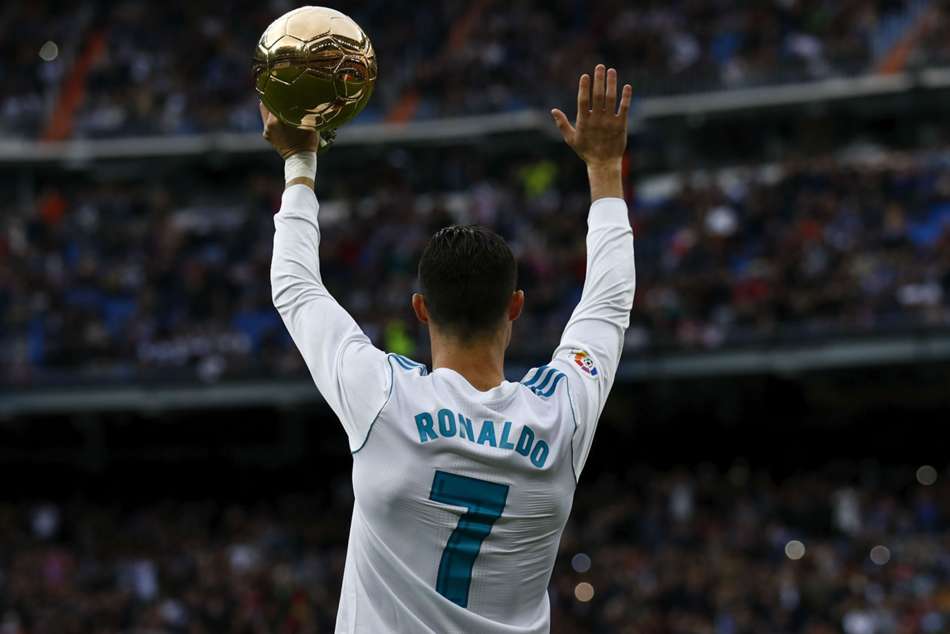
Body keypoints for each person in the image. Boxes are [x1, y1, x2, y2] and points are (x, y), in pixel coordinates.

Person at [264, 64, 635, 633]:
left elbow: (295, 286)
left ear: (420, 309)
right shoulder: (561, 414)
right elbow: (608, 305)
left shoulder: (384, 396)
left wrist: (300, 161)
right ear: (515, 306)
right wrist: (605, 169)